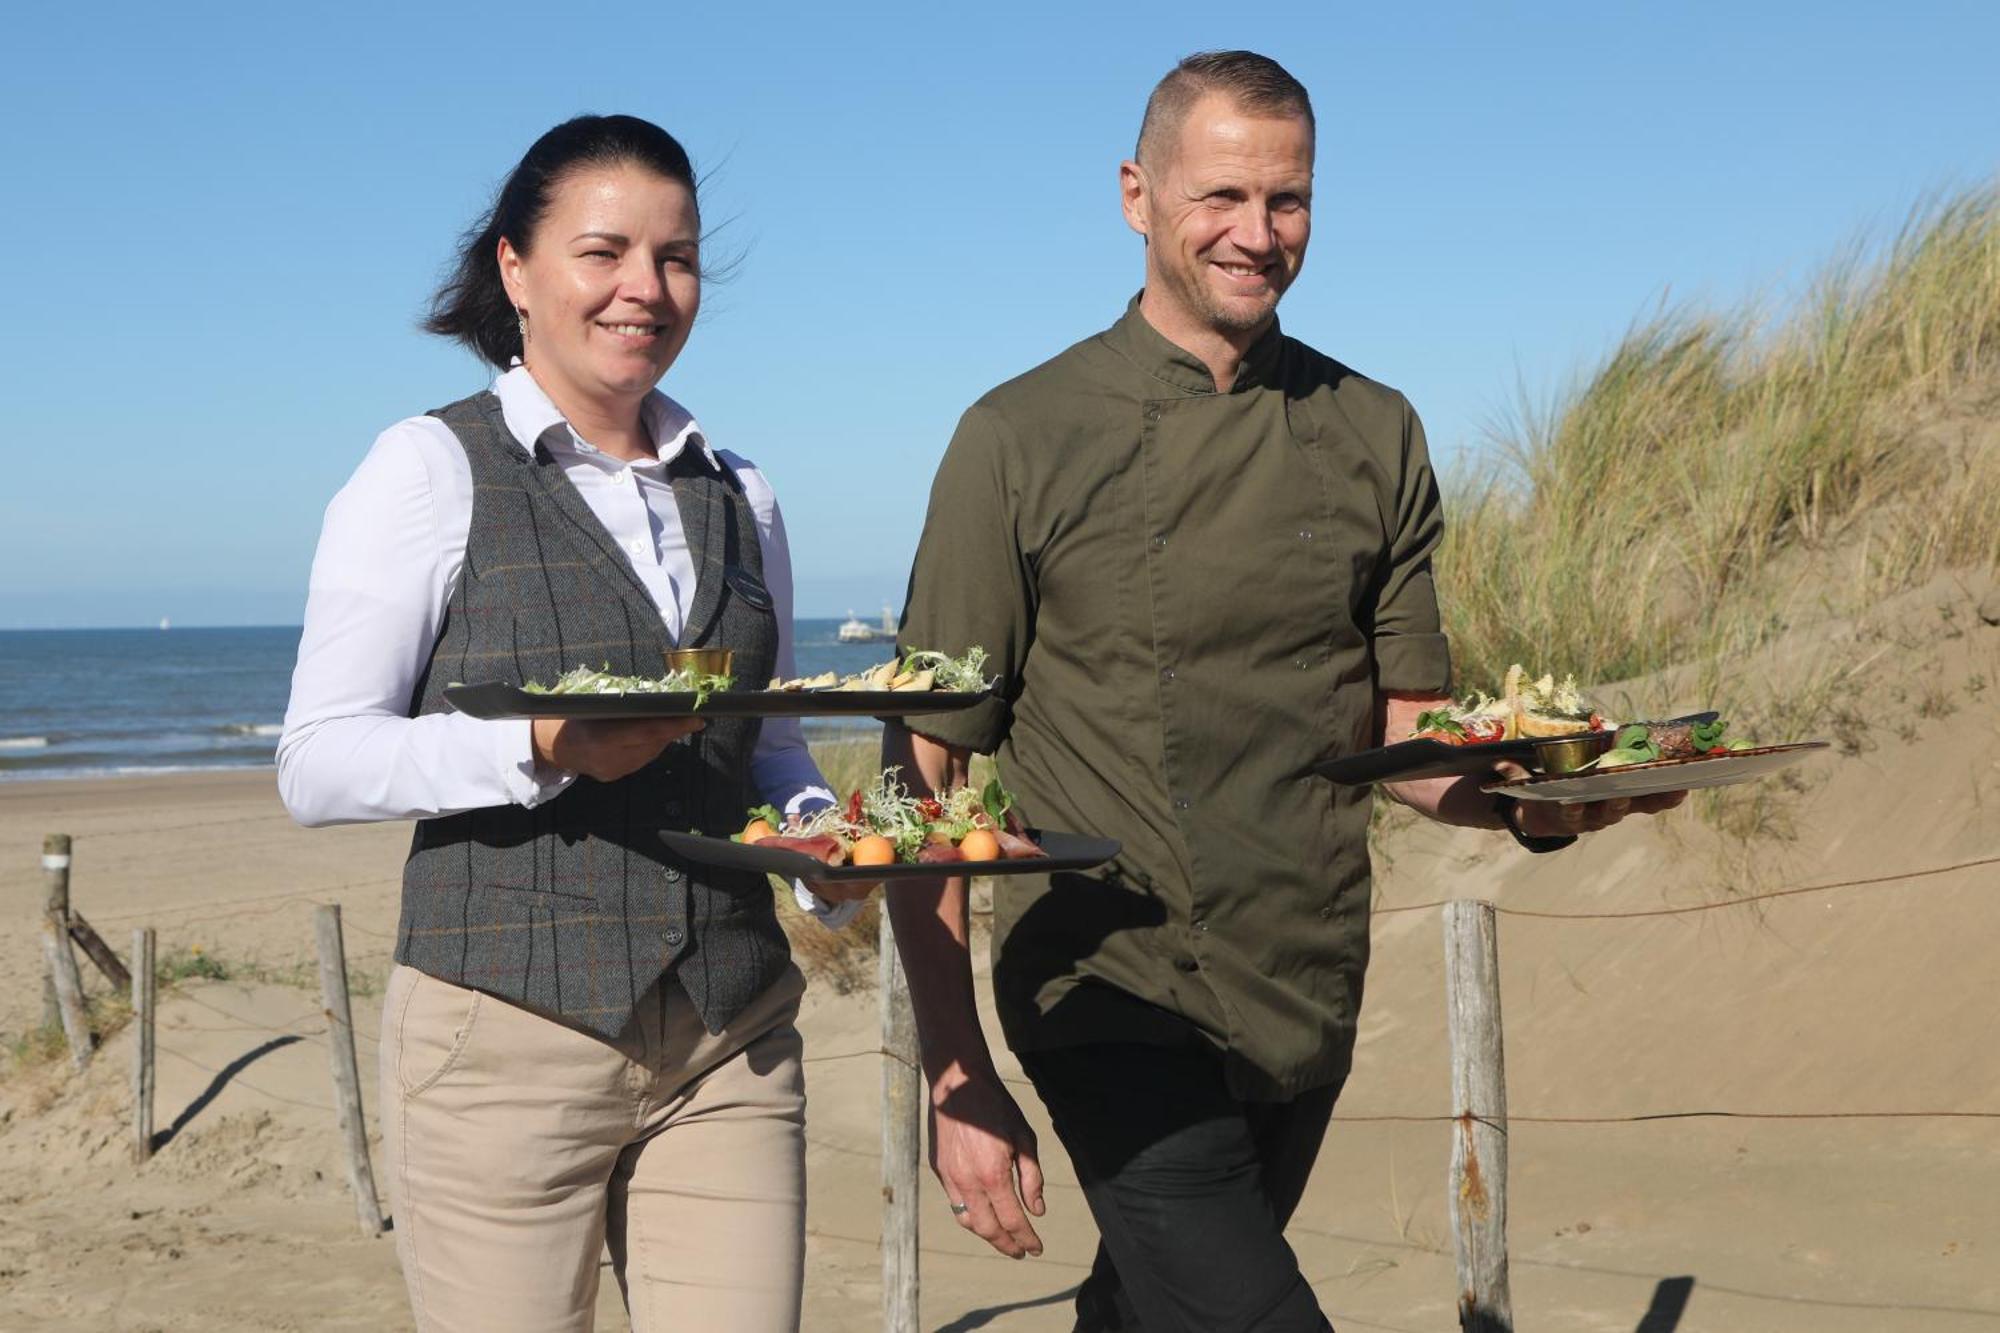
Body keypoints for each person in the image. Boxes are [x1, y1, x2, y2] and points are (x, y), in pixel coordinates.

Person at [883, 52, 1686, 1332]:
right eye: (1220, 196)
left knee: (1148, 1314)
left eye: (1288, 199)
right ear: (1137, 194)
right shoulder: (1016, 437)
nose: (1256, 235)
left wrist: (1546, 805)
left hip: (1304, 985)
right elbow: (917, 783)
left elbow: (1407, 742)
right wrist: (950, 1065)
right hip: (1106, 990)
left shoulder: (1375, 429)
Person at [278, 114, 869, 1332]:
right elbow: (317, 761)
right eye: (604, 253)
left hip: (729, 1033)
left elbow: (767, 743)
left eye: (677, 258)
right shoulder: (427, 469)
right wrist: (540, 747)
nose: (644, 291)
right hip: (502, 1040)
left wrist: (824, 847)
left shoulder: (740, 491)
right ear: (515, 269)